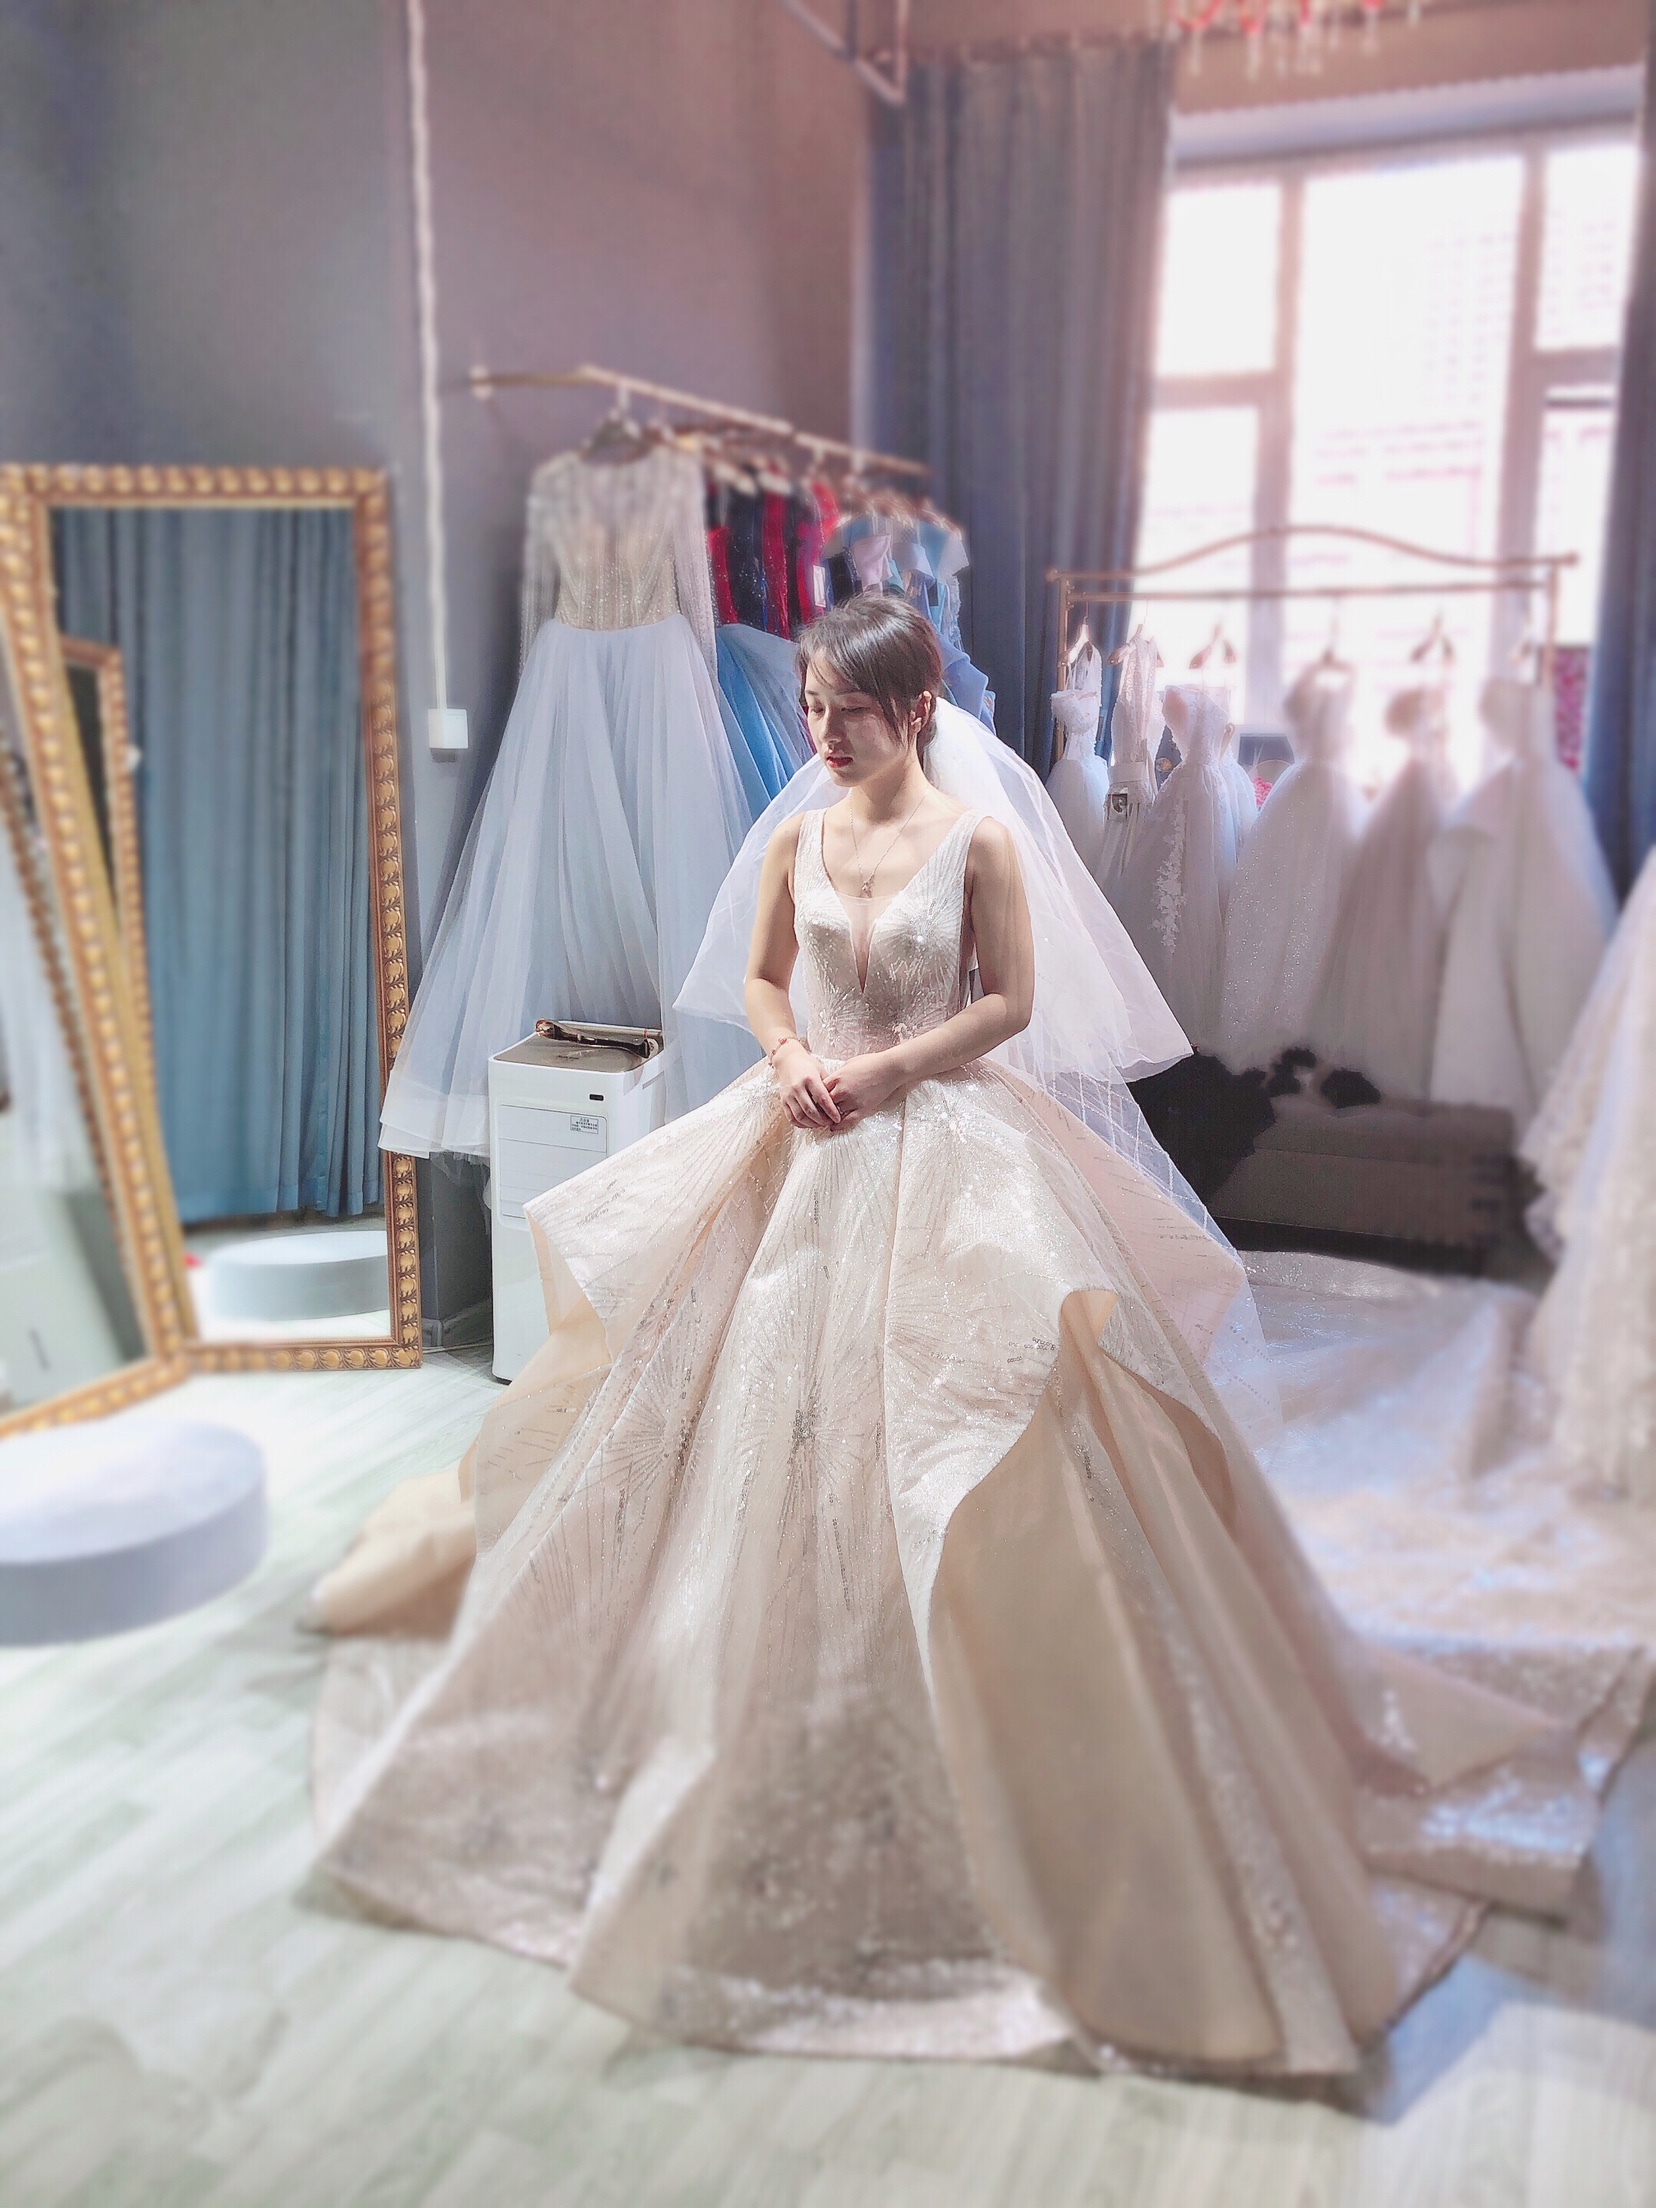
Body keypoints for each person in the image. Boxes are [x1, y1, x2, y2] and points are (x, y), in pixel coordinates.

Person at [316, 597, 1604, 2078]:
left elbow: (1012, 1004)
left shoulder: (982, 841)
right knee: (743, 1422)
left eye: (846, 714)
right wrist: (791, 1058)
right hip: (802, 1137)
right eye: (811, 710)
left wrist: (883, 1072)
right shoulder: (796, 835)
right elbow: (755, 980)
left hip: (944, 1142)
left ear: (917, 710)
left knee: (985, 1429)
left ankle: (1013, 1741)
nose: (819, 735)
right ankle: (740, 1721)